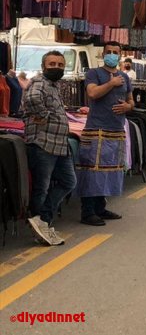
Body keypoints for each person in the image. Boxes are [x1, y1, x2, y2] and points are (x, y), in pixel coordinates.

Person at [76, 41, 134, 226]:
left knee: (108, 171)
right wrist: (111, 83)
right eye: (109, 52)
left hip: (116, 130)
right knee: (92, 170)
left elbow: (131, 100)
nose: (112, 55)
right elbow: (92, 93)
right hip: (96, 130)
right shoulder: (94, 73)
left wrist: (128, 107)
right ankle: (88, 212)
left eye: (115, 52)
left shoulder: (125, 77)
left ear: (120, 55)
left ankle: (100, 207)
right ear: (103, 54)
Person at [23, 50, 76, 246]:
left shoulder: (54, 86)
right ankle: (40, 223)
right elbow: (31, 99)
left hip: (59, 144)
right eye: (52, 64)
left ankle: (42, 220)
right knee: (42, 187)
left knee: (68, 181)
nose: (56, 68)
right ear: (43, 66)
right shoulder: (39, 82)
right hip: (43, 143)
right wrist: (43, 115)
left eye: (60, 65)